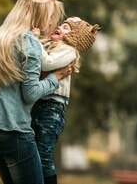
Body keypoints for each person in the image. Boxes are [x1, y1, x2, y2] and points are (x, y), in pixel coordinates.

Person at [0, 0, 74, 184]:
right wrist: (56, 77)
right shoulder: (28, 40)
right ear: (38, 15)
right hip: (14, 130)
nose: (50, 23)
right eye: (49, 17)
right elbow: (30, 93)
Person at [31, 16, 100, 184]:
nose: (60, 27)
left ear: (74, 37)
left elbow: (47, 63)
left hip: (52, 110)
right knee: (32, 152)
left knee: (42, 155)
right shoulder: (50, 46)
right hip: (39, 105)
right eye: (61, 25)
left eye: (67, 28)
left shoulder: (69, 51)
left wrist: (32, 40)